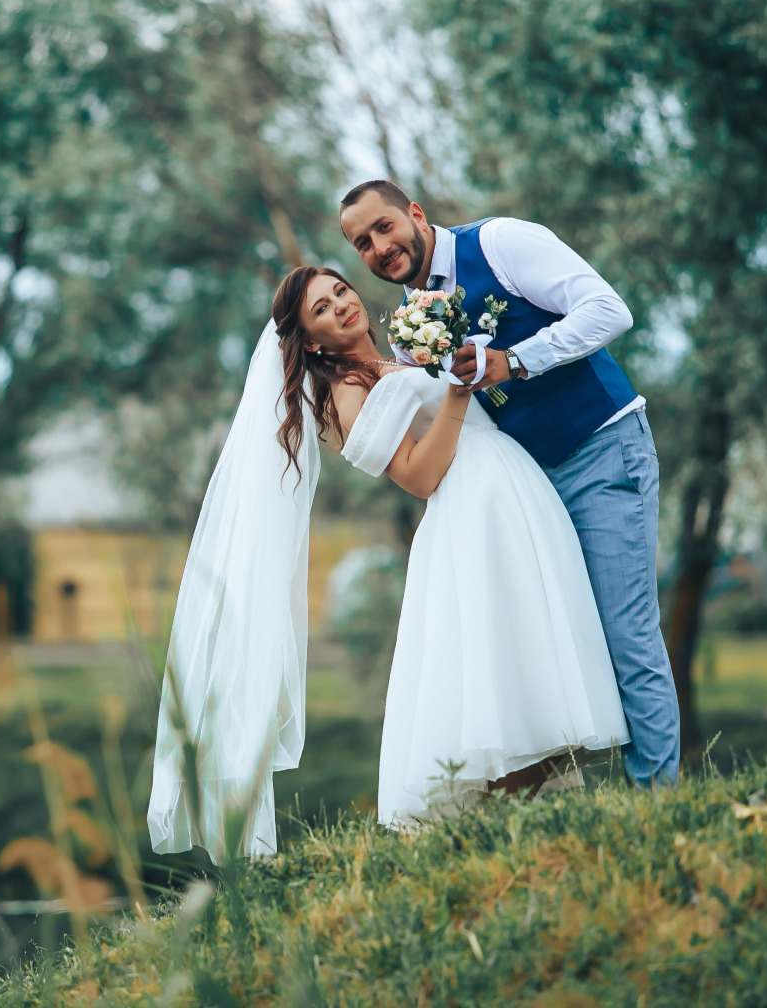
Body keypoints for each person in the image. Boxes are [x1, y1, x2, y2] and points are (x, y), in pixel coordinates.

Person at [147, 267, 629, 859]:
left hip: (511, 501)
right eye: (321, 309)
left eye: (341, 291)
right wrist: (455, 390)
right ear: (314, 341)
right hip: (469, 517)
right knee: (504, 692)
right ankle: (498, 848)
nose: (341, 305)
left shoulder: (401, 355)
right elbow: (421, 475)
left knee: (529, 677)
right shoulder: (346, 394)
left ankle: (529, 846)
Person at [338, 180, 681, 789]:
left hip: (600, 450)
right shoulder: (410, 330)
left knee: (627, 636)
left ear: (414, 214)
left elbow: (609, 311)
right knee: (549, 647)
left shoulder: (500, 243)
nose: (379, 247)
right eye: (362, 243)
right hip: (529, 492)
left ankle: (657, 802)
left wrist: (516, 359)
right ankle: (579, 803)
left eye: (384, 227)